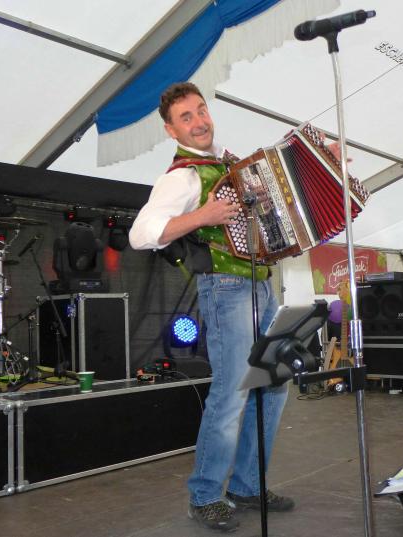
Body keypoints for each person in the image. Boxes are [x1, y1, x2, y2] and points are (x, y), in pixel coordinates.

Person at [129, 82, 294, 532]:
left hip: (261, 285)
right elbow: (141, 234)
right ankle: (204, 495)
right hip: (225, 289)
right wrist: (202, 216)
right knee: (232, 391)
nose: (199, 121)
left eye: (201, 110)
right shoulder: (181, 177)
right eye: (186, 117)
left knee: (273, 385)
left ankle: (247, 485)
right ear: (171, 130)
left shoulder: (227, 164)